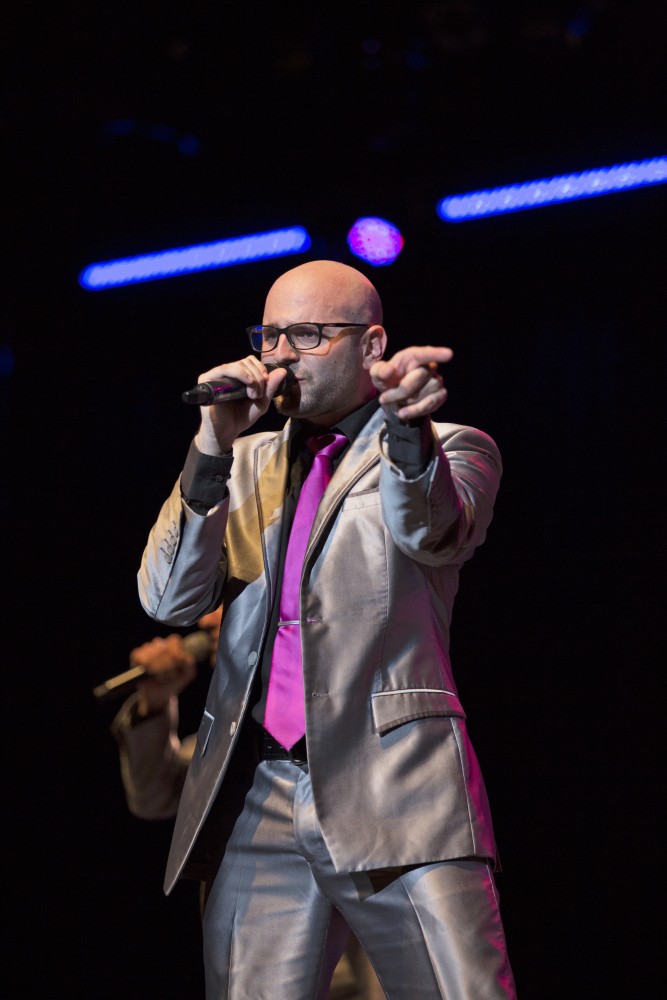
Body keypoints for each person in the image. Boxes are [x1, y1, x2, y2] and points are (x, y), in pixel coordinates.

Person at [138, 259, 516, 998]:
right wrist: (211, 447)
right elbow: (167, 600)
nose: (279, 354)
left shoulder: (450, 446)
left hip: (398, 791)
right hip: (256, 794)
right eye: (269, 334)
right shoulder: (239, 462)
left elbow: (432, 530)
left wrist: (409, 435)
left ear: (370, 345)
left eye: (306, 334)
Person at [111, 608, 384, 1000]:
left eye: (226, 601)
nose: (207, 623)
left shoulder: (345, 685)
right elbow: (153, 794)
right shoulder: (237, 734)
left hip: (364, 972)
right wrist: (154, 703)